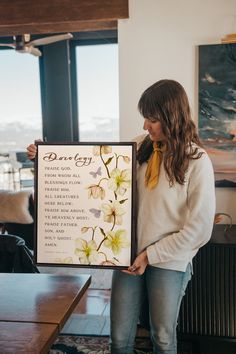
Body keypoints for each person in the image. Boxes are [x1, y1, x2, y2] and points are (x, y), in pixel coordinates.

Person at [27, 79, 216, 354]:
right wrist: (46, 158)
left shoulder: (197, 161)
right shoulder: (138, 147)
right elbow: (92, 170)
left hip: (170, 260)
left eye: (151, 119)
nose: (145, 126)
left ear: (171, 117)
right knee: (119, 339)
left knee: (163, 339)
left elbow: (199, 230)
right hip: (126, 256)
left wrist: (149, 255)